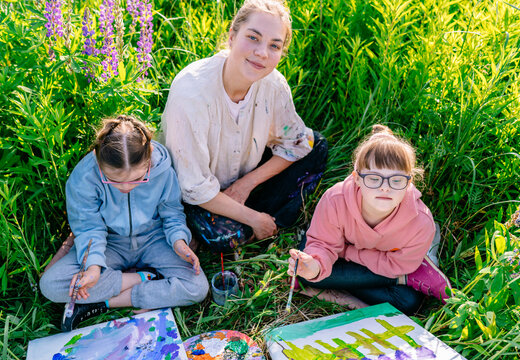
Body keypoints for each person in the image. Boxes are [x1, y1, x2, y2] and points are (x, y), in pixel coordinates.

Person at [161, 0, 328, 253]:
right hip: (196, 194)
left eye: (274, 45)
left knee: (316, 146)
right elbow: (193, 187)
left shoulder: (273, 85)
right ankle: (255, 224)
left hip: (241, 177)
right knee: (228, 236)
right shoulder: (191, 93)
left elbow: (294, 143)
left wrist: (244, 186)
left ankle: (257, 222)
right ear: (232, 36)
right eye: (253, 38)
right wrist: (252, 218)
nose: (262, 52)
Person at [40, 115, 209, 331]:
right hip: (110, 243)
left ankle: (104, 302)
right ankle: (147, 278)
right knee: (51, 284)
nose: (127, 187)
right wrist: (93, 267)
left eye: (138, 179)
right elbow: (89, 227)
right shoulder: (84, 177)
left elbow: (172, 212)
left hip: (154, 239)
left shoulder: (163, 169)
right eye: (115, 181)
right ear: (100, 164)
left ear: (149, 162)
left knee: (197, 287)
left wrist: (178, 242)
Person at [287, 125, 452, 315]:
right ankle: (403, 278)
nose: (385, 188)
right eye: (374, 179)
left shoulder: (420, 222)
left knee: (408, 302)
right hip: (340, 254)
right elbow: (323, 245)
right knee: (309, 271)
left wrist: (347, 252)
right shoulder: (336, 199)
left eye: (396, 180)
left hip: (380, 264)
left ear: (409, 182)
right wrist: (314, 266)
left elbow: (398, 264)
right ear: (356, 178)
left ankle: (405, 274)